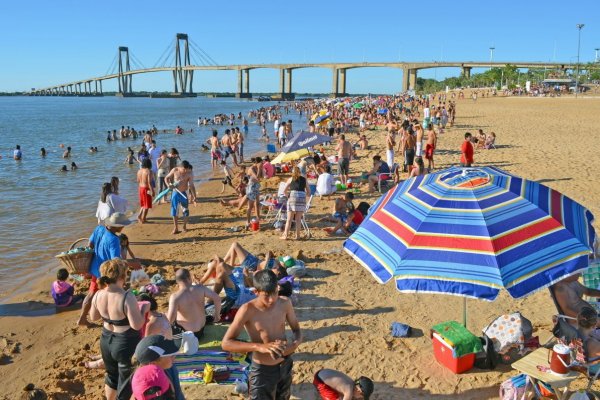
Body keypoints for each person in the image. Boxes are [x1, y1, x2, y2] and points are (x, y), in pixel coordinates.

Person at [222, 270, 302, 400]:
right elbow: (226, 343)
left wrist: (295, 343)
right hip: (262, 371)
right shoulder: (248, 310)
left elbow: (296, 329)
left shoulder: (285, 303)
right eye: (266, 295)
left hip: (284, 364)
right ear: (256, 292)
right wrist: (259, 347)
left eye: (274, 293)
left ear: (278, 288)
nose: (271, 300)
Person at [89, 259, 146, 400]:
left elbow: (93, 317)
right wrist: (144, 310)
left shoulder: (98, 294)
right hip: (125, 342)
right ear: (122, 276)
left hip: (106, 339)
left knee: (112, 376)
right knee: (126, 379)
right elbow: (136, 325)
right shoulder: (126, 296)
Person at [77, 213, 134, 327]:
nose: (123, 228)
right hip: (106, 272)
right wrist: (133, 263)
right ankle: (113, 317)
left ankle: (82, 318)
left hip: (95, 268)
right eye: (122, 225)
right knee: (114, 294)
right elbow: (116, 261)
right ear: (117, 226)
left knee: (92, 293)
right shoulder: (114, 239)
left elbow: (90, 244)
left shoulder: (99, 229)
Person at [167, 268, 221, 344]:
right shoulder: (201, 288)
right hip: (201, 330)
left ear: (177, 281)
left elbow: (170, 320)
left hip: (188, 334)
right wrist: (217, 315)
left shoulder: (175, 297)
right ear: (189, 278)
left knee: (166, 319)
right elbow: (217, 299)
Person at [132, 335, 184, 400]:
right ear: (153, 364)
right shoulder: (145, 386)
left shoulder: (170, 369)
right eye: (170, 355)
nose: (174, 356)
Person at [164, 160, 196, 234]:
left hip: (183, 193)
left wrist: (195, 196)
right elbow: (166, 178)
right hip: (175, 193)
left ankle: (184, 226)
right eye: (184, 169)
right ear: (180, 167)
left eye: (186, 169)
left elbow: (191, 185)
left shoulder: (189, 173)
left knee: (186, 211)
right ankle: (176, 228)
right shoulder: (175, 170)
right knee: (174, 211)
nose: (185, 171)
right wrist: (168, 184)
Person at [281, 167, 311, 240]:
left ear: (292, 172)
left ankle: (285, 236)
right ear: (299, 172)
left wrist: (288, 195)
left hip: (292, 197)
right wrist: (304, 195)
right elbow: (309, 192)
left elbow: (284, 191)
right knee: (298, 219)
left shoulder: (290, 179)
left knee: (289, 219)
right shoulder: (304, 179)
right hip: (301, 198)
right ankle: (297, 236)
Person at [245, 157, 264, 229]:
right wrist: (259, 168)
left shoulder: (259, 168)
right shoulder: (251, 169)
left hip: (256, 187)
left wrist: (261, 168)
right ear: (257, 163)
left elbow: (262, 177)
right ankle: (248, 222)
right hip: (251, 188)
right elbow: (257, 178)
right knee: (250, 206)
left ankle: (258, 218)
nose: (262, 164)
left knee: (257, 203)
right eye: (261, 163)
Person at [136, 158, 154, 224]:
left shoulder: (139, 171)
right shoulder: (149, 171)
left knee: (143, 204)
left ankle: (139, 216)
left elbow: (137, 180)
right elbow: (149, 182)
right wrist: (152, 191)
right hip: (146, 189)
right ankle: (143, 219)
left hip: (140, 188)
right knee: (147, 205)